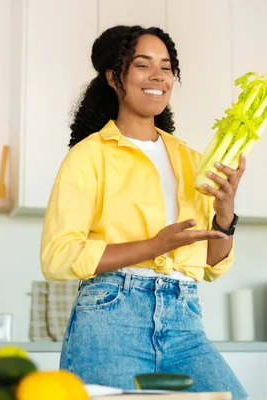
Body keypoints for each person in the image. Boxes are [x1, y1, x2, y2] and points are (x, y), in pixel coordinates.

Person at [40, 24, 248, 399]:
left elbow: (210, 262)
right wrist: (153, 246)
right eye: (142, 65)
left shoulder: (191, 160)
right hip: (110, 316)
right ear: (114, 78)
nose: (158, 76)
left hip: (184, 319)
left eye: (166, 67)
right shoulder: (89, 155)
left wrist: (225, 214)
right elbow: (58, 256)